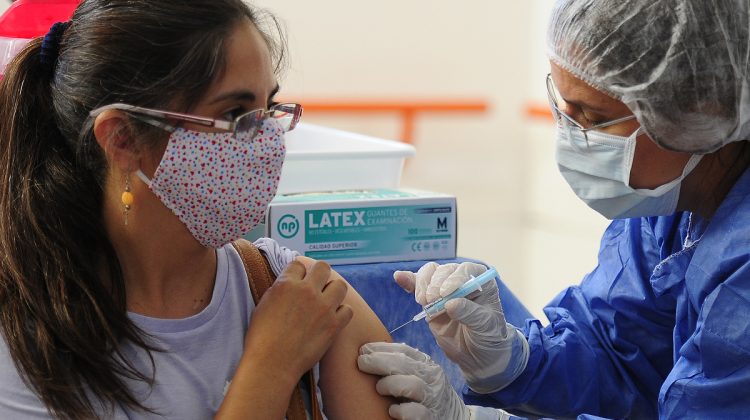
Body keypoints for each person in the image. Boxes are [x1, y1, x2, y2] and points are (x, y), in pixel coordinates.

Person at [0, 1, 393, 419]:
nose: (266, 142)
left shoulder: (295, 294)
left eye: (268, 109)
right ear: (123, 139)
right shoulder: (28, 336)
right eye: (234, 113)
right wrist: (270, 368)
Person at [358, 0, 750, 418]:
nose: (570, 135)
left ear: (701, 111)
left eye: (593, 117)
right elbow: (621, 357)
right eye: (562, 106)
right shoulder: (669, 210)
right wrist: (513, 361)